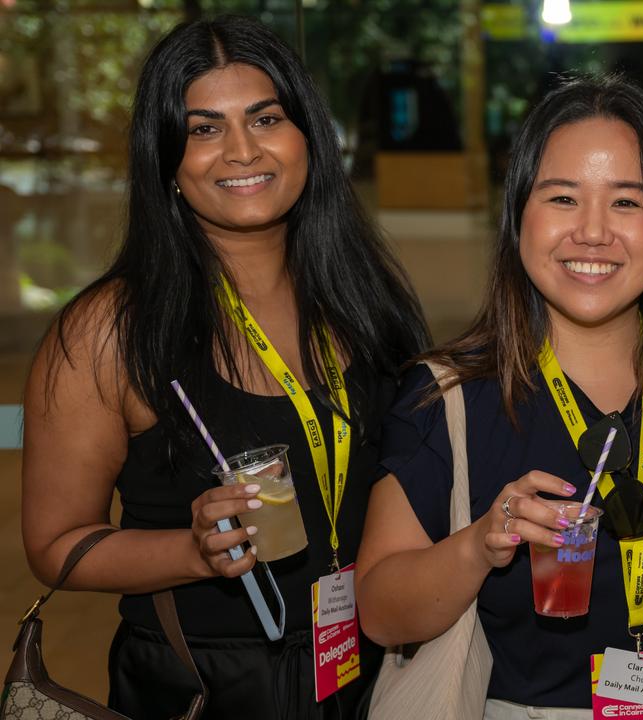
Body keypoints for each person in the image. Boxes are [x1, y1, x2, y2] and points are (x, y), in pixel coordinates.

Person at [21, 15, 429, 718]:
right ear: (166, 159)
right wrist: (192, 551)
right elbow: (56, 545)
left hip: (369, 672)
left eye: (265, 118)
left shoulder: (365, 298)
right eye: (204, 128)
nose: (242, 151)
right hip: (203, 686)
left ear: (308, 137)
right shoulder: (110, 330)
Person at [356, 75, 643, 718]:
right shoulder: (451, 400)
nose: (592, 232)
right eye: (562, 198)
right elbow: (382, 613)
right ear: (518, 215)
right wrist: (480, 543)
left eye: (627, 203)